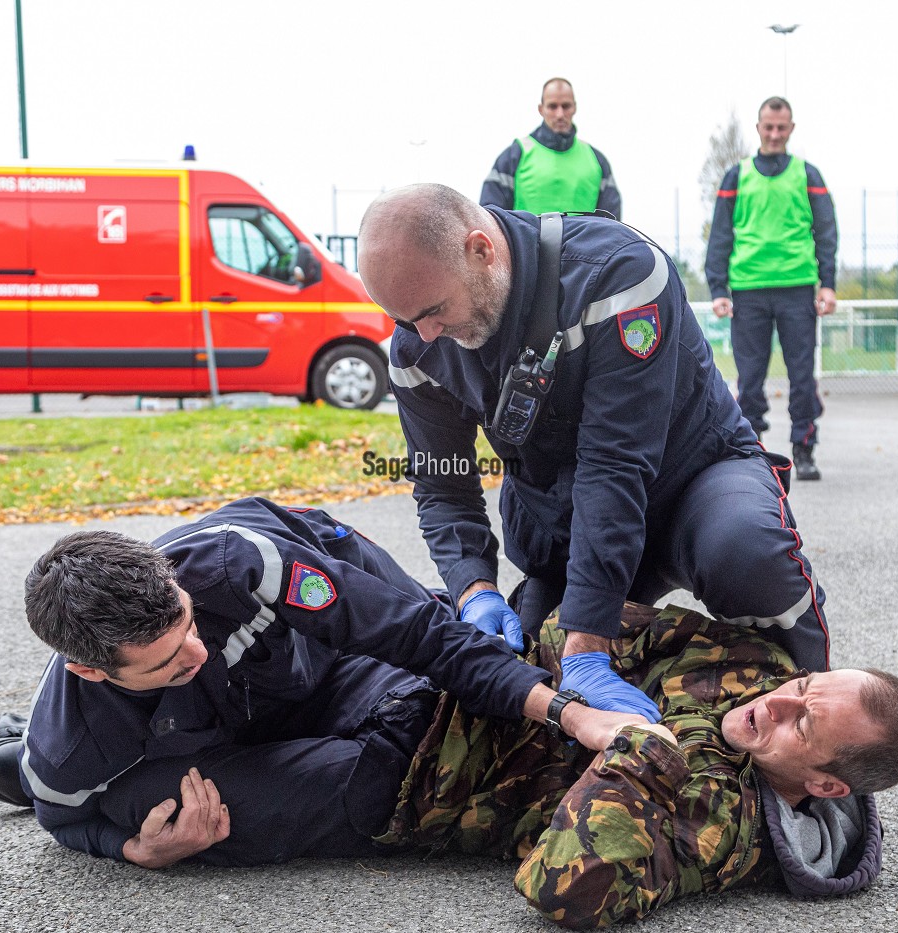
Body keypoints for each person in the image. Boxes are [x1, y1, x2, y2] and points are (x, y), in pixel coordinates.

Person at [0, 601, 898, 928]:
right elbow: (592, 626)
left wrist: (642, 747)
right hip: (430, 691)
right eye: (809, 685)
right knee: (226, 690)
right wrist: (590, 672)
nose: (778, 702)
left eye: (803, 723)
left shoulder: (725, 825)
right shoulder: (746, 668)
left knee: (173, 807)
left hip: (394, 791)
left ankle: (25, 774)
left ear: (826, 784)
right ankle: (19, 740)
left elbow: (566, 885)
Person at [0, 496, 637, 868]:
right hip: (212, 739)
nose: (196, 649)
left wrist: (568, 713)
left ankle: (1, 751)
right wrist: (132, 850)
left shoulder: (238, 564)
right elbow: (63, 817)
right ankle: (15, 760)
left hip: (324, 659)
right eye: (168, 658)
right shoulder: (73, 746)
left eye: (188, 623)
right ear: (92, 669)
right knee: (372, 788)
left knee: (445, 689)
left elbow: (411, 633)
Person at [356, 183, 830, 726]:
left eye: (434, 310)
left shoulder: (617, 275)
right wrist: (472, 588)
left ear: (481, 250)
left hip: (692, 479)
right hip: (566, 514)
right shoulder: (420, 344)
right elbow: (444, 482)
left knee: (747, 554)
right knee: (526, 687)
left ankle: (823, 728)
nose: (424, 332)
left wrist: (586, 644)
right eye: (402, 319)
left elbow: (614, 465)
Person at [705, 96, 838, 481]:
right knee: (749, 379)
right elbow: (720, 235)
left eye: (782, 127)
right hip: (748, 288)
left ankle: (804, 448)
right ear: (759, 128)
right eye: (769, 127)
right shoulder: (736, 176)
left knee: (801, 377)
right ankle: (752, 452)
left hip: (798, 287)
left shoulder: (808, 175)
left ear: (791, 128)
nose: (775, 134)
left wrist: (827, 284)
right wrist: (718, 287)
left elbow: (826, 233)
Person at [480, 77, 622, 219]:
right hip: (527, 242)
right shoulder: (514, 156)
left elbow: (613, 226)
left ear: (575, 107)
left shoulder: (596, 161)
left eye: (566, 106)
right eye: (552, 106)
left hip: (584, 242)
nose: (560, 114)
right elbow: (489, 218)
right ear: (541, 109)